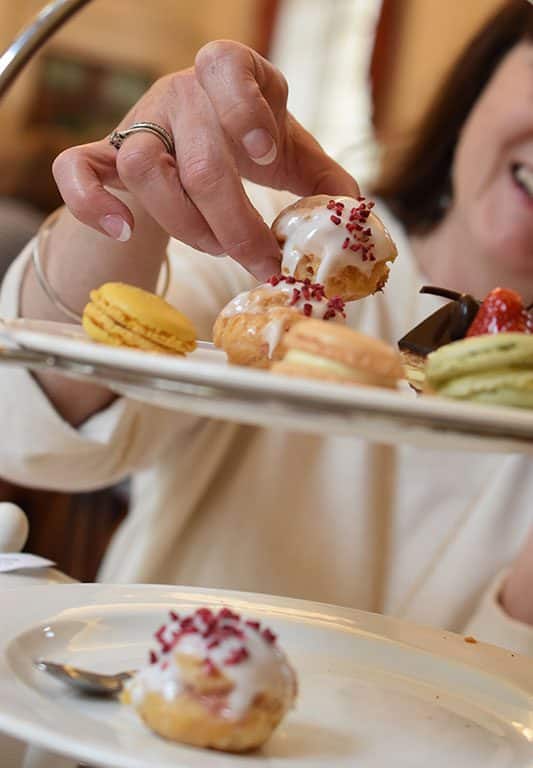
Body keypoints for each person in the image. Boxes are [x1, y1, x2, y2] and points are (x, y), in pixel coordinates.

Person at [1, 0, 533, 657]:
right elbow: (30, 431)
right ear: (488, 70)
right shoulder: (283, 250)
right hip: (132, 719)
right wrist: (136, 183)